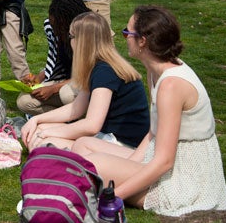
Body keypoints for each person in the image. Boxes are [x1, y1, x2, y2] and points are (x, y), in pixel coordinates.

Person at [73, 6, 226, 217]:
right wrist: (130, 163)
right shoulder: (156, 71)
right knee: (83, 144)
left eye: (127, 33)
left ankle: (126, 193)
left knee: (92, 164)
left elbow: (165, 161)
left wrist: (113, 197)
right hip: (159, 157)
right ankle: (126, 189)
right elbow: (153, 131)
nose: (124, 37)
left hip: (186, 174)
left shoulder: (171, 85)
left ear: (142, 41)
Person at [21, 12, 149, 152]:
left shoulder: (105, 71)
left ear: (80, 41)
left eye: (71, 36)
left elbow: (92, 125)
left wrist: (48, 133)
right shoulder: (97, 66)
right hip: (107, 136)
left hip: (123, 145)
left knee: (45, 141)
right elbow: (76, 108)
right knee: (41, 129)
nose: (69, 41)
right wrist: (36, 120)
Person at [17, 0, 90, 116]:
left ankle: (83, 114)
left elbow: (89, 74)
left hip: (87, 82)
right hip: (65, 79)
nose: (54, 30)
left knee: (66, 94)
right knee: (24, 101)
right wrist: (37, 79)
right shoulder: (52, 27)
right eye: (52, 25)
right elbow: (54, 61)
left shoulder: (91, 31)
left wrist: (53, 89)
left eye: (58, 27)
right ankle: (66, 118)